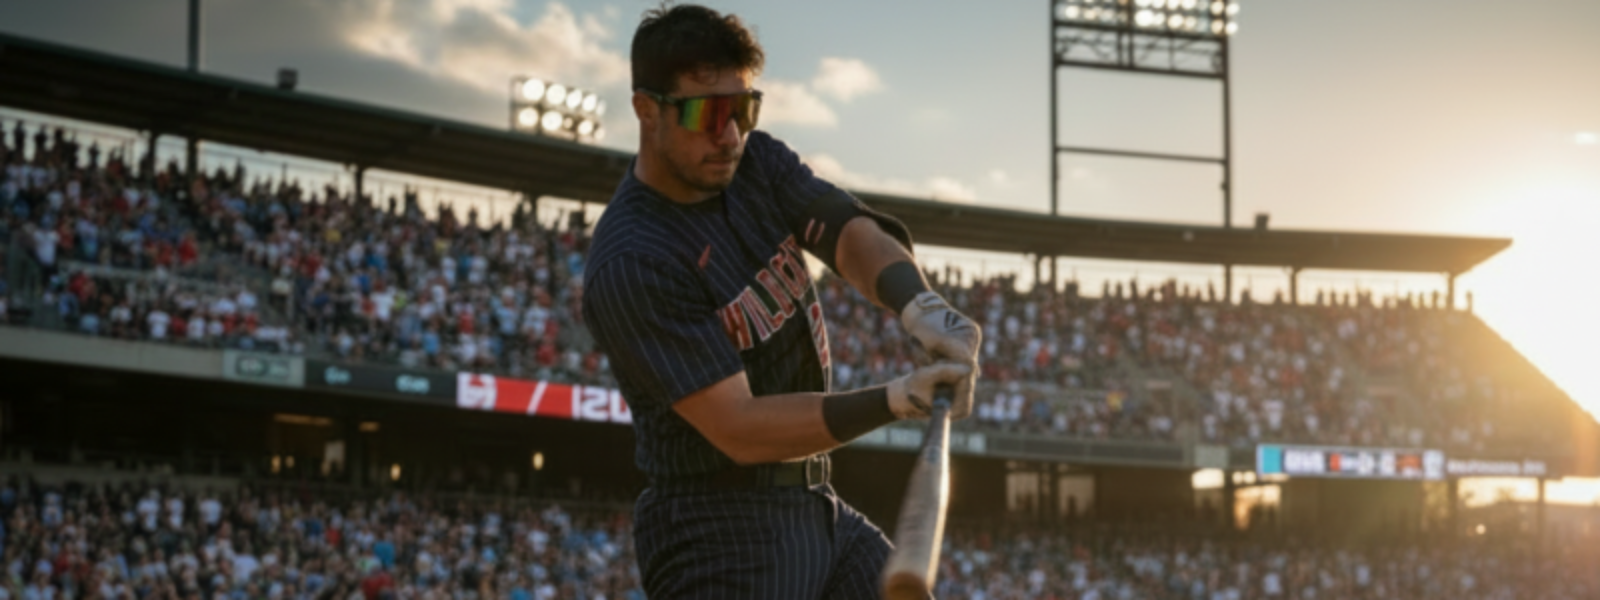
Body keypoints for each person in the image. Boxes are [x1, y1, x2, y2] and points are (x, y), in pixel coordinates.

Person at [582, 5, 982, 598]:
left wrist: (918, 304)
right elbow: (740, 429)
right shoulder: (634, 259)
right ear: (647, 109)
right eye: (706, 113)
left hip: (813, 502)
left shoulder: (754, 162)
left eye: (742, 108)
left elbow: (845, 230)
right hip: (717, 534)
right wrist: (894, 400)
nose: (730, 134)